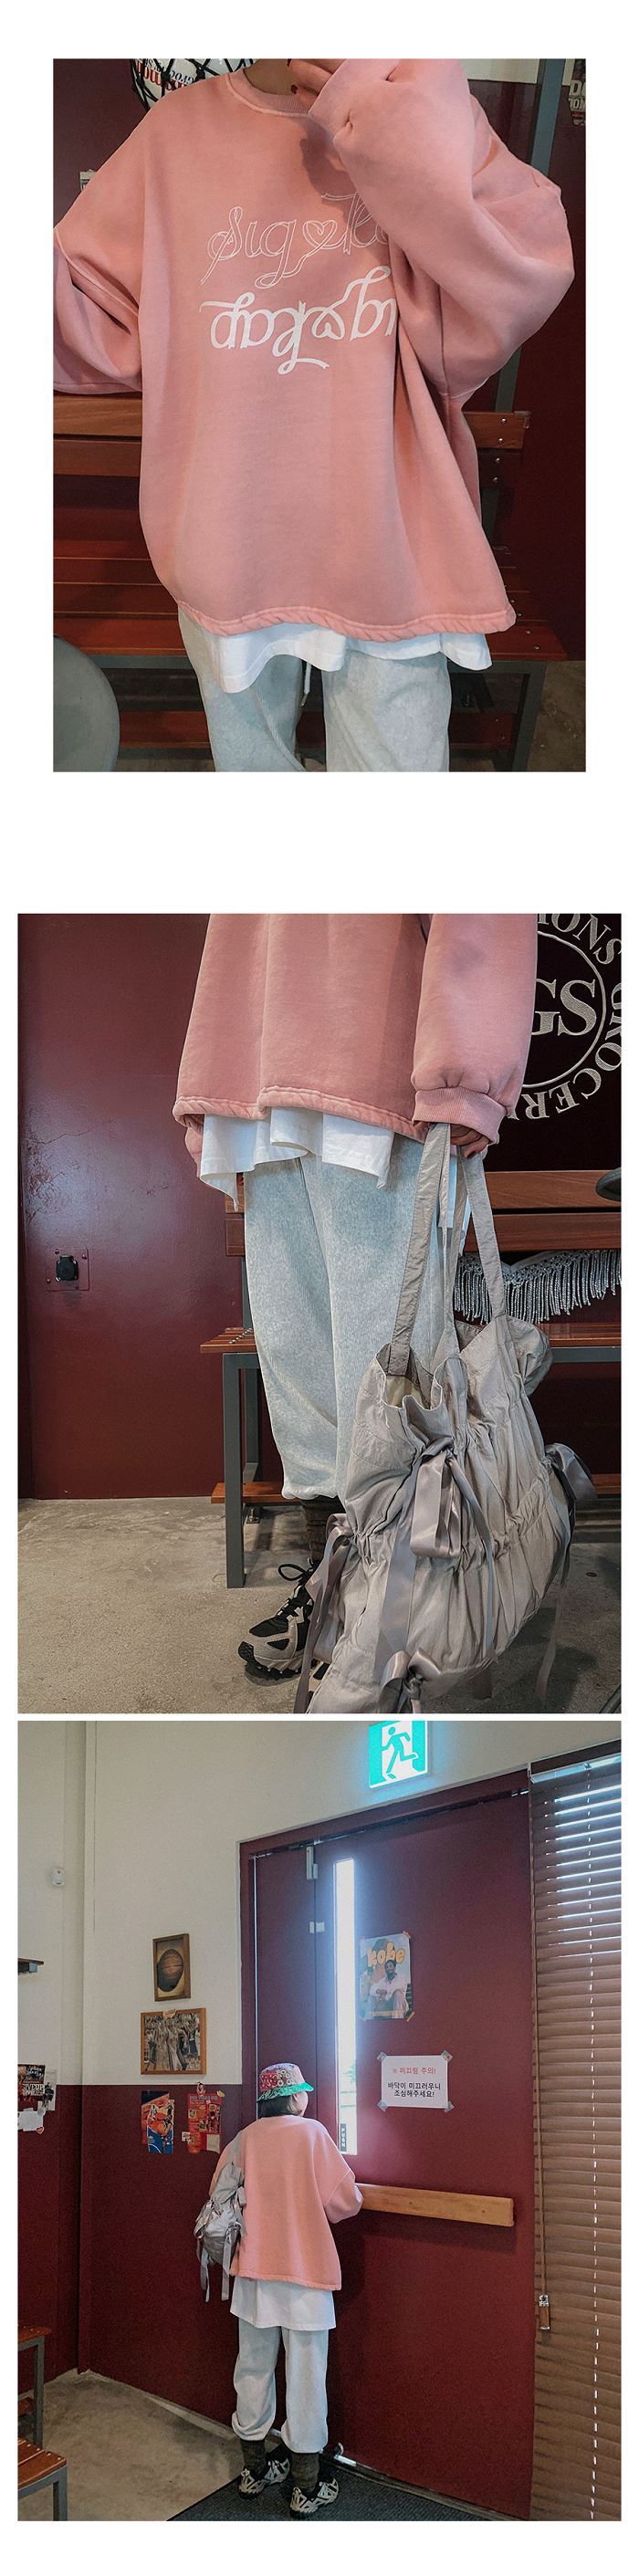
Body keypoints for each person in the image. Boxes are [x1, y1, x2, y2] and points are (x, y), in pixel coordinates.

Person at [54, 58, 573, 773]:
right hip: (228, 543)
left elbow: (519, 275)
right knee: (256, 777)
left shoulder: (419, 108)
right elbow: (89, 315)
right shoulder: (177, 135)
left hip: (390, 546)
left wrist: (378, 108)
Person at [173, 912, 539, 1691]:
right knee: (300, 1374)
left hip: (380, 1064)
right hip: (257, 1076)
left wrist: (468, 1070)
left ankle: (401, 1612)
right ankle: (339, 1593)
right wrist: (210, 1079)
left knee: (393, 1387)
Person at [209, 2060, 361, 2517]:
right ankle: (305, 2486)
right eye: (303, 2092)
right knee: (306, 2377)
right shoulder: (312, 2135)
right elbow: (346, 2202)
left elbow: (218, 2193)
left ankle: (254, 2470)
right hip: (303, 2277)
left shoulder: (244, 2139)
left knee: (252, 2370)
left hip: (253, 2276)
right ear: (295, 2097)